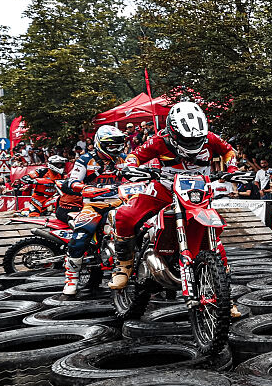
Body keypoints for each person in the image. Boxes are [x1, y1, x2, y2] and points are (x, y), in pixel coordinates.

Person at [111, 101, 240, 289]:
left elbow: (228, 150)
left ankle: (224, 294)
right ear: (172, 131)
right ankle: (123, 266)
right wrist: (130, 167)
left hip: (197, 196)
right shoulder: (158, 141)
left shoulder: (210, 138)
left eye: (196, 140)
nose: (193, 144)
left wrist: (232, 169)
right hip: (164, 191)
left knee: (213, 241)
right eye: (187, 140)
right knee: (125, 216)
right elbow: (135, 155)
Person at [59, 126, 128, 297]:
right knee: (81, 236)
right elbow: (70, 181)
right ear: (100, 143)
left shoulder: (125, 159)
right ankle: (71, 279)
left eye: (119, 145)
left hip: (122, 203)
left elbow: (139, 173)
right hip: (93, 205)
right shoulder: (85, 160)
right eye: (111, 146)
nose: (116, 149)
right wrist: (82, 188)